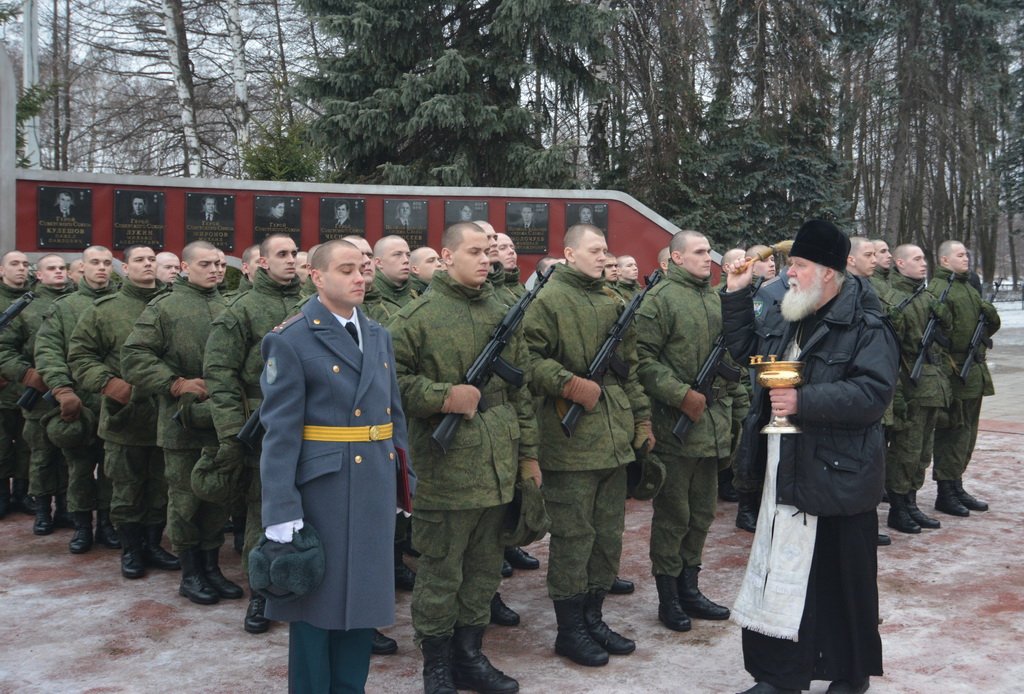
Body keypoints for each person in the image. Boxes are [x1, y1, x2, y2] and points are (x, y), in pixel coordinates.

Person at [723, 219, 898, 694]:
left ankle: (849, 673)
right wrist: (737, 294)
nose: (790, 274)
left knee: (841, 578)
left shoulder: (867, 325)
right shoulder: (789, 312)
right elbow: (746, 351)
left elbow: (873, 395)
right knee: (783, 573)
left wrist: (805, 401)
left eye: (799, 266)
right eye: (791, 265)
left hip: (841, 473)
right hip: (786, 466)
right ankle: (781, 675)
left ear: (828, 271)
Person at [390, 222, 536, 694]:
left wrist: (528, 457)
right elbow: (391, 386)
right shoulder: (416, 318)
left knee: (482, 571)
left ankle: (471, 655)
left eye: (489, 251)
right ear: (447, 257)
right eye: (474, 251)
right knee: (440, 572)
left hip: (498, 464)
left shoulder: (506, 307)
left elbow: (523, 390)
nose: (485, 260)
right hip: (447, 468)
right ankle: (436, 664)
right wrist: (443, 397)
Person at [258, 239, 409, 692]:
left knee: (363, 603)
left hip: (373, 483)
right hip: (322, 490)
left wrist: (404, 482)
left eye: (363, 268)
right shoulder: (291, 338)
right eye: (346, 270)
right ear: (317, 276)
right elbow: (279, 434)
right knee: (315, 606)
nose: (360, 277)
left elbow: (393, 415)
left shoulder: (378, 333)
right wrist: (280, 508)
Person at [523, 224, 652, 668]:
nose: (603, 257)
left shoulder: (615, 300)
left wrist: (641, 417)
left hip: (613, 440)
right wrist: (569, 384)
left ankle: (594, 617)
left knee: (607, 537)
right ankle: (570, 629)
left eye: (605, 250)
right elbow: (527, 360)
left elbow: (629, 370)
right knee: (574, 538)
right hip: (570, 441)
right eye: (594, 250)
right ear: (569, 252)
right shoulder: (549, 301)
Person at [122, 241, 240, 606]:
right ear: (186, 268)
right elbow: (134, 355)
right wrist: (175, 383)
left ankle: (212, 567)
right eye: (206, 264)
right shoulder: (165, 308)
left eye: (220, 264)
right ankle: (191, 574)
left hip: (222, 420)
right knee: (186, 500)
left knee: (217, 496)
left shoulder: (230, 305)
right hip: (182, 423)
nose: (216, 270)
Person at [636, 230, 742, 633]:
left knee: (701, 515)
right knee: (673, 517)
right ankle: (669, 598)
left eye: (709, 252)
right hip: (675, 431)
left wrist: (729, 410)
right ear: (676, 258)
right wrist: (680, 395)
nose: (707, 258)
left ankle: (690, 588)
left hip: (712, 428)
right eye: (699, 252)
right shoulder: (659, 301)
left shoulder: (717, 298)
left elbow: (732, 360)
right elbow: (640, 361)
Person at [204, 233, 301, 634]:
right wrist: (231, 429)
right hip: (263, 426)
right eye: (282, 254)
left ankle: (301, 586)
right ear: (261, 262)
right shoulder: (240, 310)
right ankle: (261, 593)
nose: (291, 260)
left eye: (295, 253)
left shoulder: (312, 304)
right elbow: (220, 373)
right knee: (264, 514)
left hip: (309, 424)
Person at [68, 246, 180, 580]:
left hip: (168, 414)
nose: (147, 264)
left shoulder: (172, 305)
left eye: (152, 260)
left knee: (161, 486)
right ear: (125, 268)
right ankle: (131, 549)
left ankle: (153, 544)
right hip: (126, 416)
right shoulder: (105, 310)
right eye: (140, 260)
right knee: (127, 487)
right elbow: (80, 356)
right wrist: (109, 385)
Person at [32, 246, 120, 553]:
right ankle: (83, 526)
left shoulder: (122, 305)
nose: (101, 268)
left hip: (115, 402)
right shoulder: (63, 307)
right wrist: (62, 390)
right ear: (81, 268)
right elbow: (48, 352)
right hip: (79, 404)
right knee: (80, 470)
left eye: (107, 263)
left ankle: (108, 525)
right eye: (94, 263)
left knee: (112, 470)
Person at [878, 244, 949, 534]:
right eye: (917, 259)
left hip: (931, 384)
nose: (923, 264)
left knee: (922, 452)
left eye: (924, 258)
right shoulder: (896, 297)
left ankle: (910, 502)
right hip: (910, 384)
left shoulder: (926, 295)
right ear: (899, 263)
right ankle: (898, 507)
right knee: (905, 451)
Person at [0, 254, 72, 535]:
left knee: (69, 454)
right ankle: (42, 511)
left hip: (70, 389)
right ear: (39, 275)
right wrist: (26, 374)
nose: (58, 273)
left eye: (61, 268)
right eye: (51, 268)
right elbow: (5, 348)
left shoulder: (74, 303)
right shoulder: (26, 308)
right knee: (39, 454)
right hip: (36, 392)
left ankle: (67, 508)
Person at [929, 240, 1000, 516]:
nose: (966, 258)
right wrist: (945, 372)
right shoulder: (940, 289)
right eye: (960, 255)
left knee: (966, 434)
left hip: (972, 372)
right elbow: (936, 337)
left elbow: (980, 329)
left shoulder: (968, 286)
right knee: (952, 433)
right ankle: (945, 492)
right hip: (954, 371)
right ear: (944, 260)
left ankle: (956, 484)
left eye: (966, 254)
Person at [0, 251, 34, 518]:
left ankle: (23, 494)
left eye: (25, 264)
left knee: (27, 444)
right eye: (14, 264)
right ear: (2, 270)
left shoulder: (34, 300)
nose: (21, 269)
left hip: (25, 386)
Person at [368, 235, 417, 324]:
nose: (406, 260)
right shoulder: (368, 299)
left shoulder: (417, 296)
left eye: (408, 255)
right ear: (379, 262)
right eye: (397, 254)